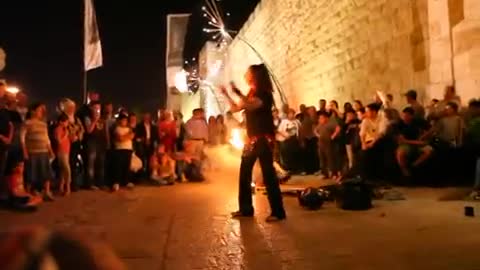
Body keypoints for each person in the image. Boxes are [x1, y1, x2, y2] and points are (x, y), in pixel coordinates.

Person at [220, 64, 286, 222]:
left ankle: (278, 212)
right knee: (244, 173)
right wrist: (226, 94)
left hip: (263, 139)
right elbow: (236, 108)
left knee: (268, 174)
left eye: (248, 72)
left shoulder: (264, 94)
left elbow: (250, 105)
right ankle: (246, 209)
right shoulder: (251, 93)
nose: (245, 75)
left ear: (255, 76)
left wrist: (237, 92)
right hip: (251, 140)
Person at [21, 103, 55, 201]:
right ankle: (27, 193)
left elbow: (46, 138)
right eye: (40, 110)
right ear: (33, 111)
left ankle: (47, 192)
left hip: (43, 151)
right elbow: (22, 138)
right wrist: (24, 151)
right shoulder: (27, 123)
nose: (42, 112)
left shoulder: (43, 124)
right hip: (32, 151)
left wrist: (50, 150)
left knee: (46, 173)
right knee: (31, 173)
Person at [394, 107, 433, 177]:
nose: (404, 118)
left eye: (407, 116)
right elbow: (401, 140)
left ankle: (413, 166)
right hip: (407, 144)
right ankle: (405, 170)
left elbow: (431, 129)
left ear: (412, 116)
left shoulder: (418, 121)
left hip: (416, 143)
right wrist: (414, 142)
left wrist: (423, 136)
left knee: (428, 151)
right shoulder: (400, 123)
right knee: (400, 153)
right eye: (403, 116)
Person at [84, 101, 109, 189]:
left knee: (101, 164)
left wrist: (107, 142)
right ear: (91, 108)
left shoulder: (103, 119)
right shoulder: (88, 118)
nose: (97, 110)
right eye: (95, 108)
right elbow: (89, 130)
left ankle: (100, 183)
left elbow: (106, 132)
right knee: (91, 164)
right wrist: (94, 120)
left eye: (99, 108)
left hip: (101, 144)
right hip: (92, 144)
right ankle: (90, 183)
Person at [110, 114, 135, 192]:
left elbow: (132, 136)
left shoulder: (129, 128)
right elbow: (120, 138)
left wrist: (125, 137)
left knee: (126, 166)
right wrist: (127, 136)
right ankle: (116, 182)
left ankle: (126, 181)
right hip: (119, 149)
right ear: (120, 121)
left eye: (125, 120)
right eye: (123, 120)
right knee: (118, 166)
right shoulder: (116, 129)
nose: (124, 121)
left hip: (128, 149)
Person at [54, 113, 72, 196]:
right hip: (61, 152)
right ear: (61, 122)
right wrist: (66, 135)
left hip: (66, 151)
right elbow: (59, 141)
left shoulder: (65, 129)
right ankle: (67, 187)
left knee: (62, 170)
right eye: (66, 122)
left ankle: (61, 187)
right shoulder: (58, 129)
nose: (67, 124)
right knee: (66, 169)